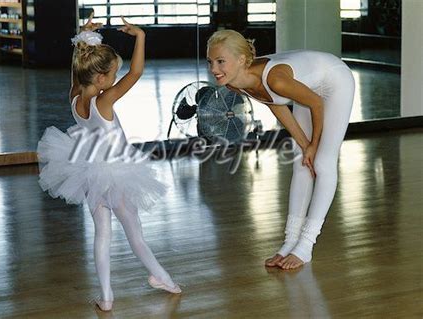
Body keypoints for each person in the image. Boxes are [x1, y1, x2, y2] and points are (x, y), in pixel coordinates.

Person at [37, 15, 181, 312]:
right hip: (117, 173)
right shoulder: (104, 102)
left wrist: (82, 41)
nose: (116, 78)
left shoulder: (75, 94)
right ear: (101, 79)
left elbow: (79, 71)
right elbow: (137, 72)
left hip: (89, 172)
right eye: (113, 74)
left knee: (102, 234)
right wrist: (140, 37)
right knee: (134, 233)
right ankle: (162, 277)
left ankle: (106, 297)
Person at [206, 30, 354, 270]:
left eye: (220, 61)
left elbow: (316, 102)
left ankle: (305, 245)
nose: (214, 68)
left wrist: (314, 145)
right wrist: (305, 146)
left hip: (334, 81)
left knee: (323, 163)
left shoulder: (275, 79)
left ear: (242, 61)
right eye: (210, 62)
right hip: (309, 87)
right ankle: (290, 242)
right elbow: (275, 103)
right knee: (301, 162)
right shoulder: (236, 83)